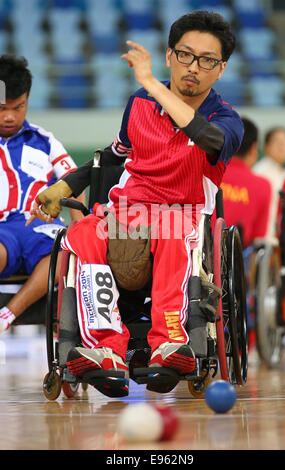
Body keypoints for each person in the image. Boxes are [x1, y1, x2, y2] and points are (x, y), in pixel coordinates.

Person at [29, 10, 244, 397]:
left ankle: (169, 343)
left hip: (184, 213)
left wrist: (151, 84)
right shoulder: (139, 104)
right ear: (169, 56)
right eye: (185, 55)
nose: (193, 67)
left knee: (175, 231)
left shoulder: (225, 119)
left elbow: (210, 140)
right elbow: (112, 156)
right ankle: (105, 351)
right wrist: (64, 186)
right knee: (82, 235)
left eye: (206, 60)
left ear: (221, 69)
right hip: (128, 215)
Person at [0, 55, 85, 334]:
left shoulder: (45, 141)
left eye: (18, 106)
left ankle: (8, 314)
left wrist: (78, 228)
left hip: (42, 228)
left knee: (64, 255)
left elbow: (75, 182)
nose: (10, 115)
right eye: (2, 108)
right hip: (2, 232)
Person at [219, 117, 272, 248]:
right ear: (254, 148)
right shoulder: (263, 186)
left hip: (196, 259)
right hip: (239, 261)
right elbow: (257, 241)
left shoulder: (205, 173)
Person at [253, 126, 285, 239]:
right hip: (264, 239)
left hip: (282, 238)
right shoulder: (259, 172)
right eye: (278, 142)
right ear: (266, 147)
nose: (283, 147)